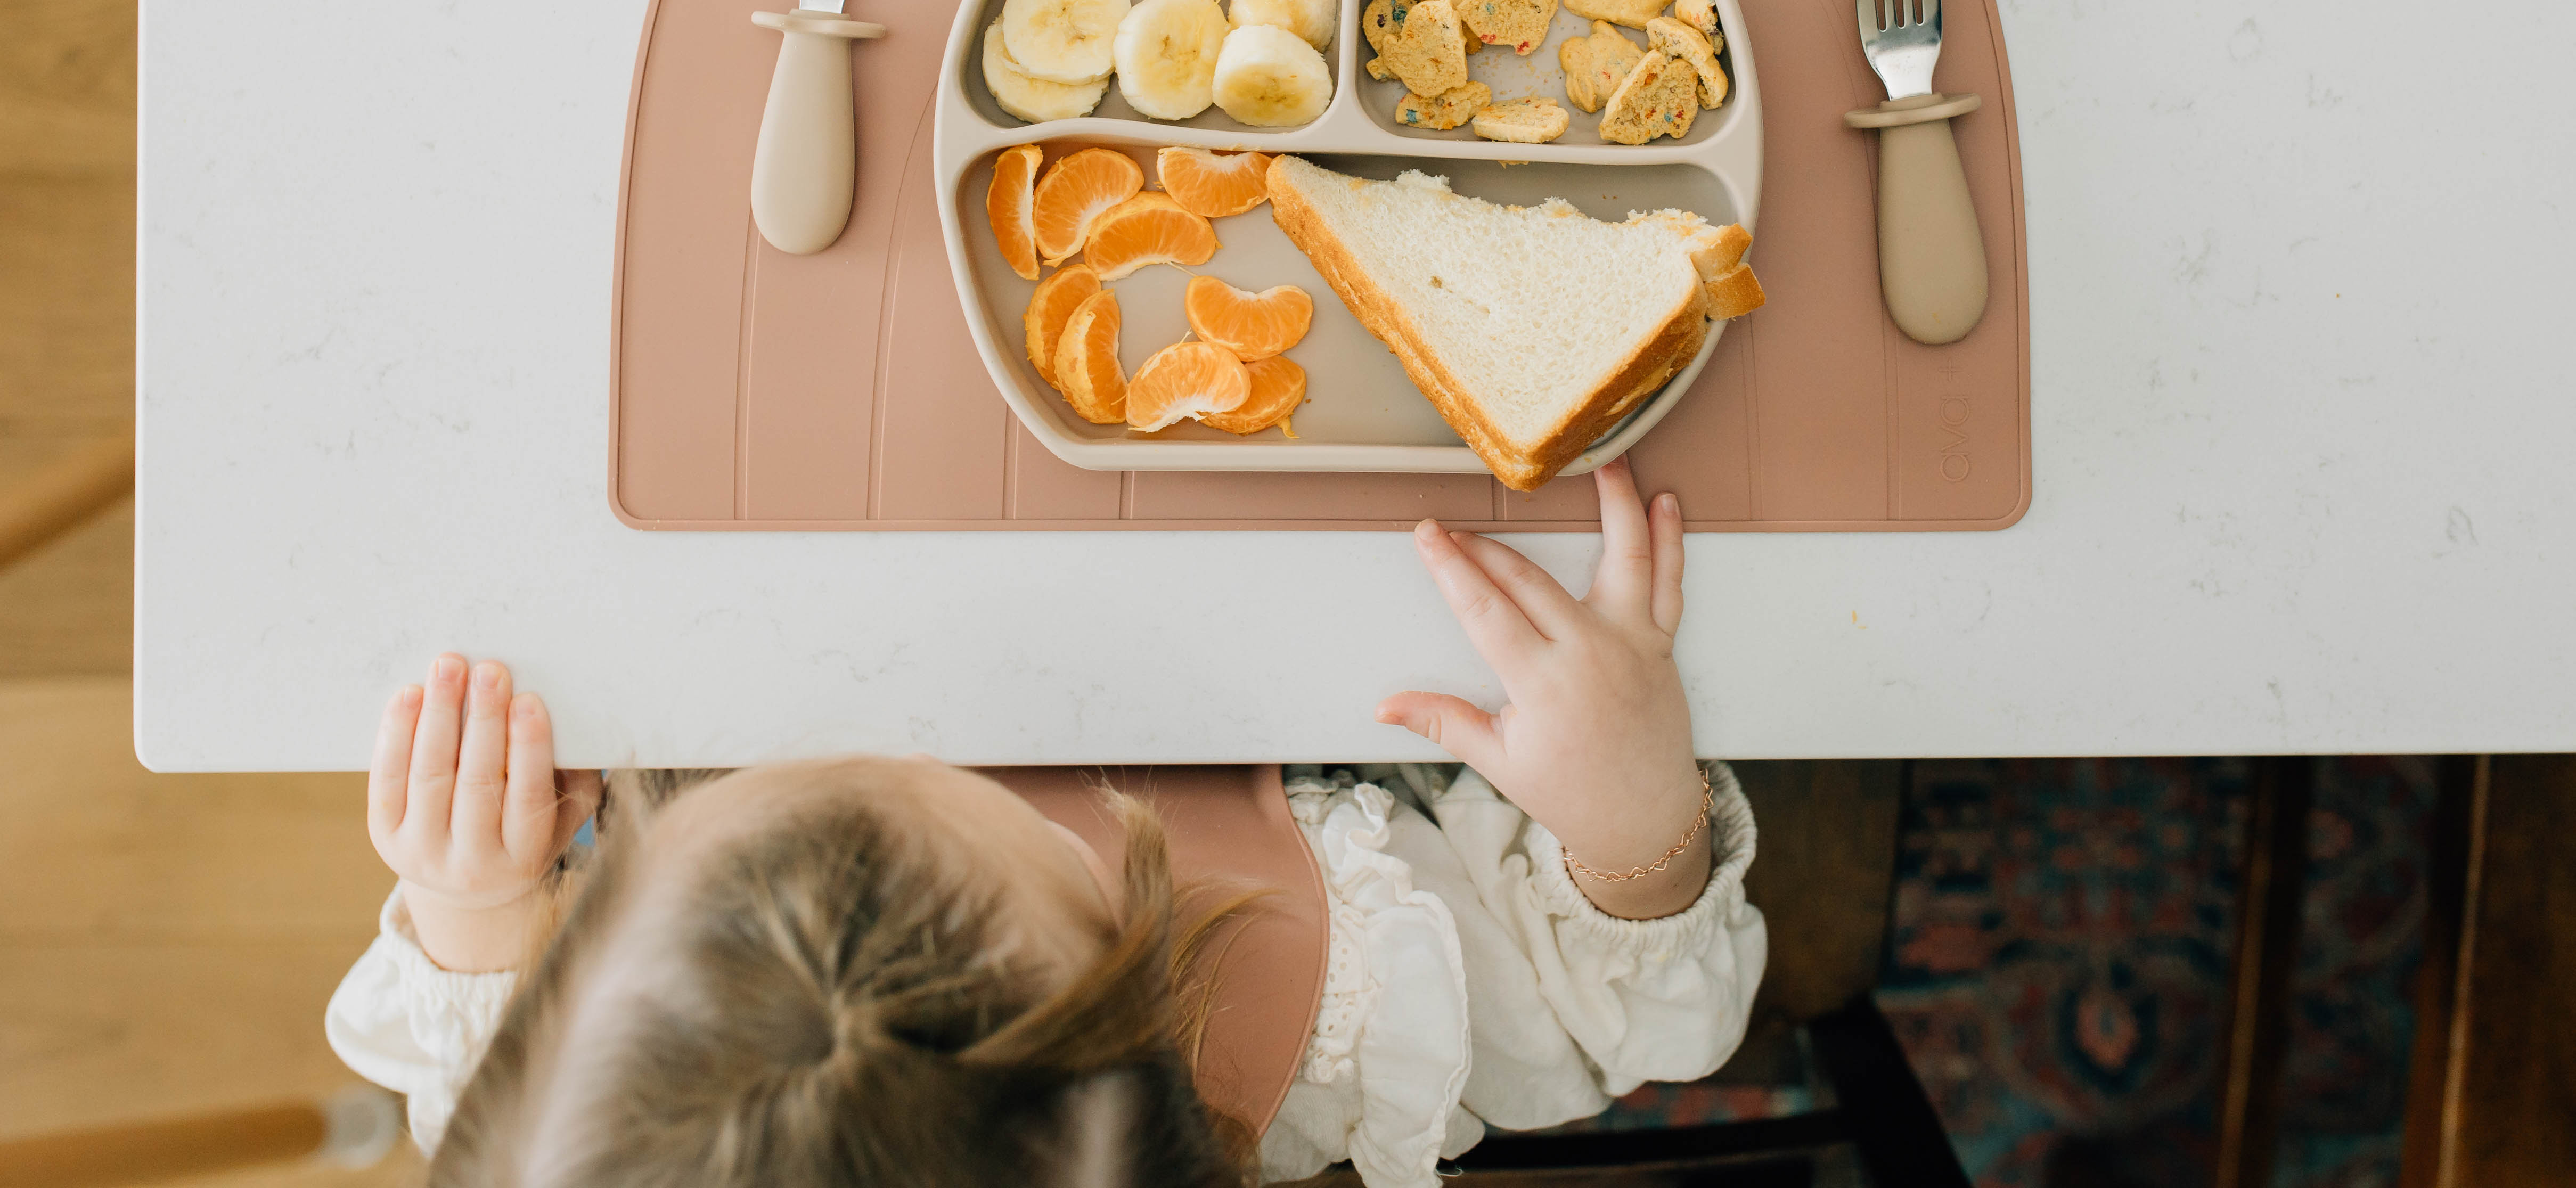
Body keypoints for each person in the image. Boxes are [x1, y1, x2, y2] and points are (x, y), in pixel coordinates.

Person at [326, 460, 1765, 1185]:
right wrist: (1631, 819)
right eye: (973, 815)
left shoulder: (601, 1120)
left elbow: (486, 1091)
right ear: (1134, 1005)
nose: (931, 752)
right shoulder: (1341, 1024)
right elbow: (1629, 1025)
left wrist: (481, 914)